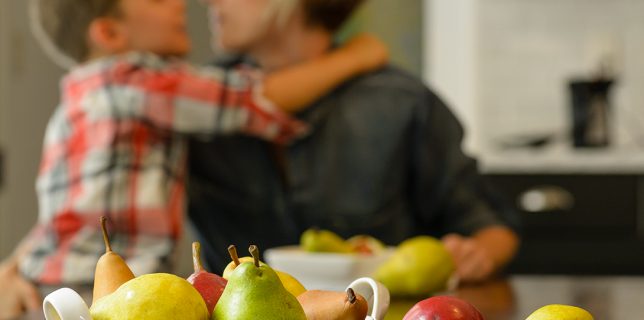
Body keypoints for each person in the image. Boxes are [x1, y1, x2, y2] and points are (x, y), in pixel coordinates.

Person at [0, 0, 388, 317]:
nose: (180, 3)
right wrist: (355, 57)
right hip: (95, 294)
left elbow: (61, 216)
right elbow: (255, 99)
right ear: (110, 33)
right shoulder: (132, 80)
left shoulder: (79, 99)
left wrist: (13, 265)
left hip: (47, 288)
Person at [188, 0, 521, 283]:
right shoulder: (194, 107)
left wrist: (475, 255)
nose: (209, 1)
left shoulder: (401, 104)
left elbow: (492, 227)